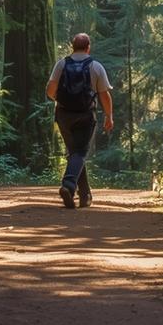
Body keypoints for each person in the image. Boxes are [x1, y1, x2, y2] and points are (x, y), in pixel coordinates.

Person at [45, 33, 113, 209]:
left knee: (75, 152)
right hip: (85, 115)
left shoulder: (62, 64)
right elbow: (104, 94)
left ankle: (85, 195)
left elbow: (50, 89)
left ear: (72, 46)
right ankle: (68, 185)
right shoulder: (96, 67)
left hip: (63, 115)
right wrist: (108, 115)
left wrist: (59, 101)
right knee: (80, 153)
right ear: (88, 47)